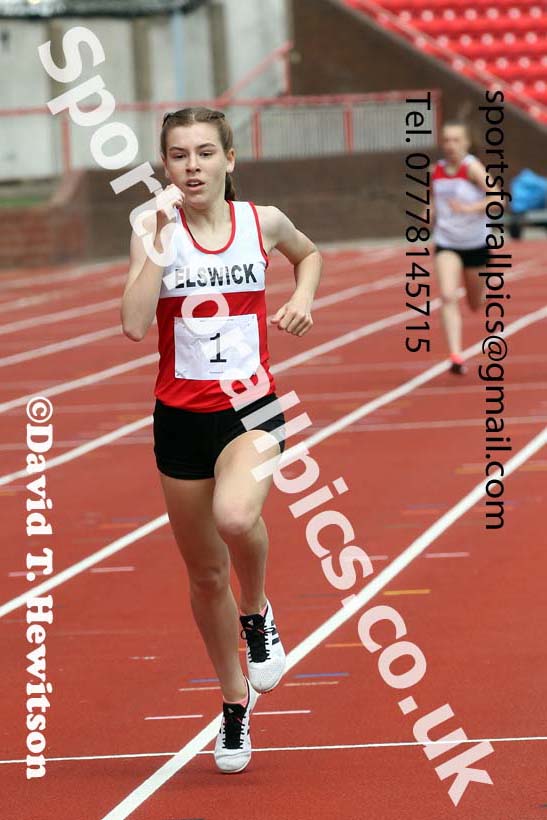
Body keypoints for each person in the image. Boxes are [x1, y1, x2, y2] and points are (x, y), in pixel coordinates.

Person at [120, 107, 322, 773]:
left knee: (236, 516)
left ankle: (257, 611)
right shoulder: (152, 228)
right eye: (179, 155)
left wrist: (303, 298)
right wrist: (156, 241)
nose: (193, 166)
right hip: (180, 419)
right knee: (206, 574)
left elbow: (309, 254)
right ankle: (234, 703)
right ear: (165, 165)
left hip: (250, 408)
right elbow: (133, 323)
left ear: (229, 160)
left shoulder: (262, 223)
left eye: (205, 153)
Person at [430, 121, 494, 375]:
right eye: (446, 140)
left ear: (466, 143)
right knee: (447, 296)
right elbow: (433, 201)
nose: (451, 145)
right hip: (446, 242)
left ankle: (482, 289)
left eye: (456, 140)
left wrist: (469, 208)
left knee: (475, 303)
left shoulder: (472, 168)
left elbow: (497, 197)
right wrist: (428, 214)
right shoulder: (436, 171)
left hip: (475, 243)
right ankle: (455, 355)